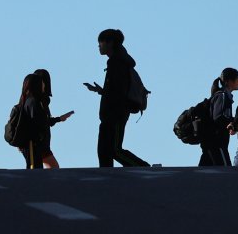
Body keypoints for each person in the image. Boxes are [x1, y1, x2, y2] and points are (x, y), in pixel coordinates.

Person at [84, 29, 150, 167]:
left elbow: (119, 93)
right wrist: (102, 91)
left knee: (113, 150)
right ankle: (106, 181)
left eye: (101, 42)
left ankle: (142, 168)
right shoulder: (116, 62)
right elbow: (116, 91)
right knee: (104, 151)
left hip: (115, 114)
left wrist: (106, 94)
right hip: (111, 114)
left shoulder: (118, 63)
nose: (99, 46)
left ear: (110, 43)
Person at [33, 69, 74, 169]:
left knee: (40, 169)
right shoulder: (39, 101)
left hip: (38, 143)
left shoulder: (36, 100)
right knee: (52, 169)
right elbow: (42, 121)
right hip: (39, 143)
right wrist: (58, 119)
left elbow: (44, 121)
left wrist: (59, 119)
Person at [200, 68, 238, 166]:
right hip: (217, 143)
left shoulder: (224, 96)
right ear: (229, 81)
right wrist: (233, 122)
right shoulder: (222, 96)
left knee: (202, 175)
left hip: (211, 143)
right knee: (226, 174)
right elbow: (218, 117)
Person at [17, 73, 52, 169]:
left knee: (37, 169)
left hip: (33, 144)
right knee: (35, 169)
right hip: (33, 144)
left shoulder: (29, 101)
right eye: (42, 83)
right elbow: (36, 122)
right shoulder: (33, 102)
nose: (44, 85)